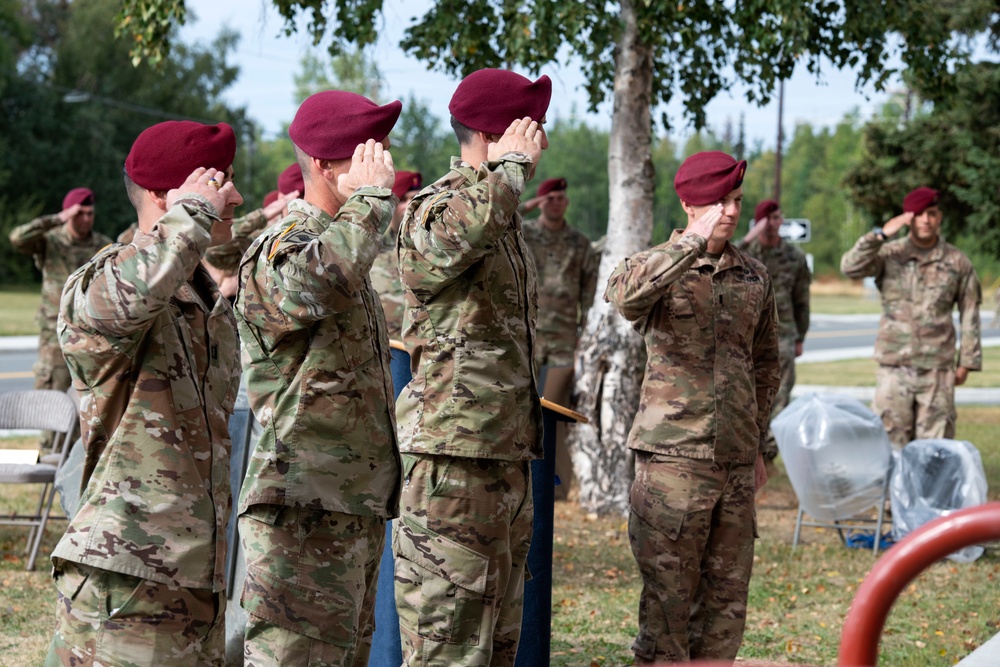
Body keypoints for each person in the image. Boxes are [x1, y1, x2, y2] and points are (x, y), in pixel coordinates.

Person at [46, 121, 244, 666]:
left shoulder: (203, 302)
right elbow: (127, 295)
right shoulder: (100, 283)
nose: (235, 195)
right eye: (220, 180)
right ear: (165, 196)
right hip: (126, 578)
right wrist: (194, 214)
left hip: (196, 573)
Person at [234, 90, 402, 667]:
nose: (384, 163)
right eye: (369, 152)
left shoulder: (347, 248)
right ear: (329, 167)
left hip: (348, 502)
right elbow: (318, 283)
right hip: (299, 508)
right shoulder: (280, 248)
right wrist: (373, 202)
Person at [393, 68, 550, 667]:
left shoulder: (503, 218)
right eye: (530, 127)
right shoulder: (436, 208)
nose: (540, 140)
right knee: (447, 650)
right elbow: (441, 251)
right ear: (496, 133)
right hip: (452, 466)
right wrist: (508, 169)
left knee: (495, 647)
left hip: (503, 459)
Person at [605, 151, 780, 664]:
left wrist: (756, 445)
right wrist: (689, 243)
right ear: (686, 203)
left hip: (734, 461)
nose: (728, 211)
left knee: (726, 607)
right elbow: (625, 296)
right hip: (673, 462)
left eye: (735, 200)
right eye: (716, 201)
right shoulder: (655, 267)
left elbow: (765, 365)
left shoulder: (754, 276)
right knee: (667, 609)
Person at [841, 186, 981, 448]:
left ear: (940, 217)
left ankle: (928, 492)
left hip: (937, 370)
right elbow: (850, 267)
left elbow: (970, 312)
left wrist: (967, 363)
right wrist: (880, 235)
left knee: (935, 448)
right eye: (918, 214)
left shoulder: (957, 262)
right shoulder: (889, 254)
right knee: (889, 443)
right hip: (895, 368)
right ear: (908, 218)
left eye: (932, 213)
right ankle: (894, 492)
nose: (926, 220)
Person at [520, 176, 598, 499]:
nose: (556, 203)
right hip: (528, 336)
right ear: (540, 203)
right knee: (522, 408)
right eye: (549, 198)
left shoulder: (580, 244)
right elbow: (500, 217)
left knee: (557, 414)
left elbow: (590, 294)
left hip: (565, 340)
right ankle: (522, 481)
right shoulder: (526, 232)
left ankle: (557, 488)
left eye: (560, 198)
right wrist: (528, 205)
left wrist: (588, 336)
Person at [9, 188, 111, 394]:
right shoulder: (50, 240)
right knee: (50, 393)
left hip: (91, 331)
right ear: (68, 214)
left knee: (92, 397)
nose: (85, 219)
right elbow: (18, 238)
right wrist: (57, 218)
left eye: (89, 213)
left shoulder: (102, 245)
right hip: (55, 331)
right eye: (79, 213)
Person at [738, 199, 810, 459]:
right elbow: (720, 259)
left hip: (783, 334)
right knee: (747, 394)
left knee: (779, 396)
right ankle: (749, 450)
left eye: (777, 218)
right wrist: (749, 238)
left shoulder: (794, 257)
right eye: (768, 219)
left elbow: (802, 300)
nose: (773, 224)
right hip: (748, 336)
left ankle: (768, 456)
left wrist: (800, 337)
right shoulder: (745, 254)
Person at [370, 170, 421, 340]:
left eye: (414, 198)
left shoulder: (427, 243)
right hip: (385, 346)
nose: (409, 205)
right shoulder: (372, 246)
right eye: (403, 200)